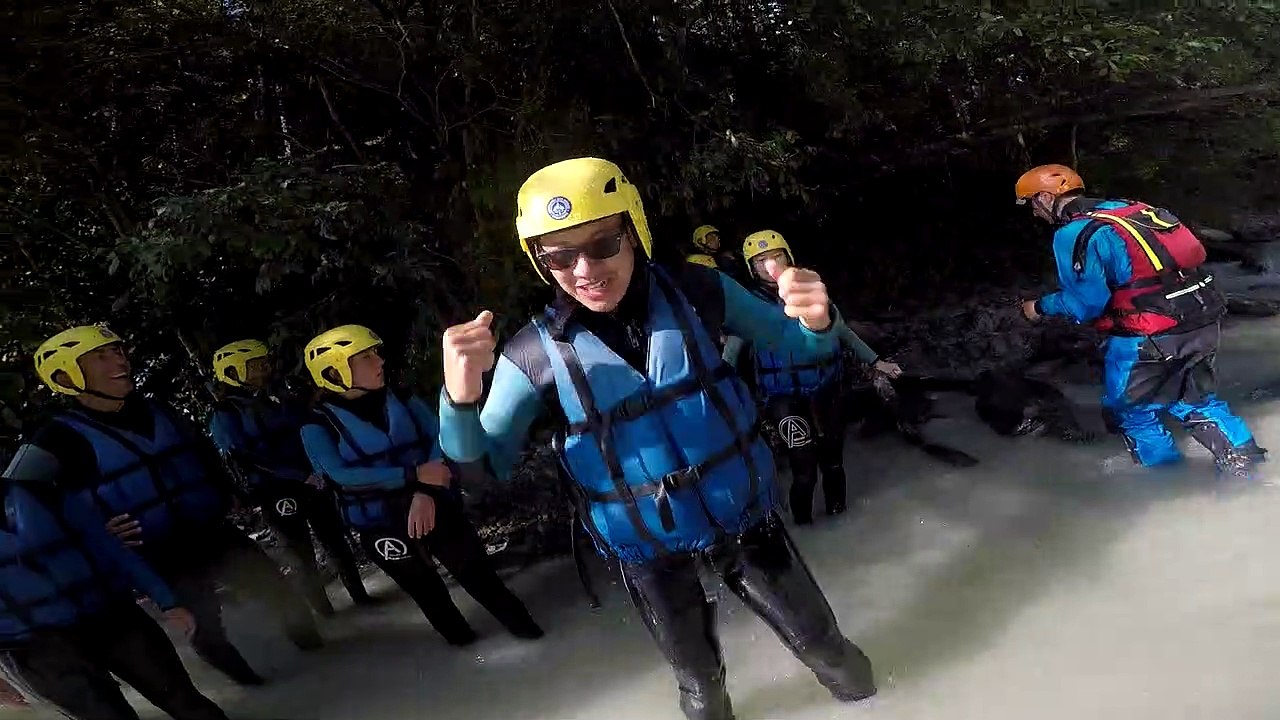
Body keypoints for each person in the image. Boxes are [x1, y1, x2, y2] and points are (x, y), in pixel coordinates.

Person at [437, 157, 876, 720]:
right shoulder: (531, 356)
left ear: (634, 230)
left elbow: (806, 349)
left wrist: (820, 322)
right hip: (648, 549)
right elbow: (479, 473)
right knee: (701, 687)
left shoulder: (700, 290)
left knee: (827, 650)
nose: (585, 270)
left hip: (745, 519)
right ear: (540, 262)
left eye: (602, 244)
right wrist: (459, 400)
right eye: (560, 256)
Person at [14, 324, 323, 687]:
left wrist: (227, 491)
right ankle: (249, 682)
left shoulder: (158, 408)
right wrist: (91, 535)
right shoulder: (56, 437)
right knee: (203, 620)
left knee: (272, 586)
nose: (119, 359)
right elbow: (17, 501)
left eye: (117, 351)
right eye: (100, 356)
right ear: (66, 375)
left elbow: (201, 451)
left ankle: (320, 653)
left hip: (208, 528)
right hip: (157, 548)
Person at [299, 324, 543, 647]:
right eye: (365, 357)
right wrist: (413, 476)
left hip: (433, 498)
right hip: (381, 522)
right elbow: (341, 475)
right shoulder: (316, 426)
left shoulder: (400, 396)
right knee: (430, 595)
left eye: (376, 353)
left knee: (481, 578)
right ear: (334, 372)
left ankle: (532, 636)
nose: (379, 361)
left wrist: (425, 491)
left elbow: (441, 434)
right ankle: (467, 651)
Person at [1015, 164, 1266, 476]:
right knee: (1196, 401)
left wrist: (1038, 307)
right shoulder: (1133, 209)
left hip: (1148, 333)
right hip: (1202, 316)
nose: (1034, 214)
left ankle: (1167, 484)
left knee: (1131, 412)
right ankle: (1249, 474)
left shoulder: (1072, 233)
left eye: (1030, 205)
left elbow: (1086, 304)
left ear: (1044, 197)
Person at [0, 475, 228, 720]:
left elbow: (112, 548)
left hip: (112, 617)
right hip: (34, 649)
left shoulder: (46, 495)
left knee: (184, 701)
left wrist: (167, 601)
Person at [727, 229, 901, 523]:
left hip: (826, 388)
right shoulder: (748, 308)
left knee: (833, 463)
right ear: (751, 268)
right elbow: (730, 356)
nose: (770, 266)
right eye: (760, 261)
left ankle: (838, 523)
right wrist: (721, 397)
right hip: (783, 398)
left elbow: (841, 330)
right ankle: (805, 527)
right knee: (804, 470)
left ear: (788, 257)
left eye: (776, 256)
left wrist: (876, 361)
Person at [209, 339, 374, 615]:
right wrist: (298, 476)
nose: (264, 368)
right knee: (300, 554)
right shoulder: (226, 414)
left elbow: (307, 426)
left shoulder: (278, 396)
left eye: (264, 362)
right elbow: (243, 456)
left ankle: (361, 597)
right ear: (234, 372)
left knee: (335, 539)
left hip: (312, 479)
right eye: (255, 365)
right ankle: (323, 611)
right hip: (275, 489)